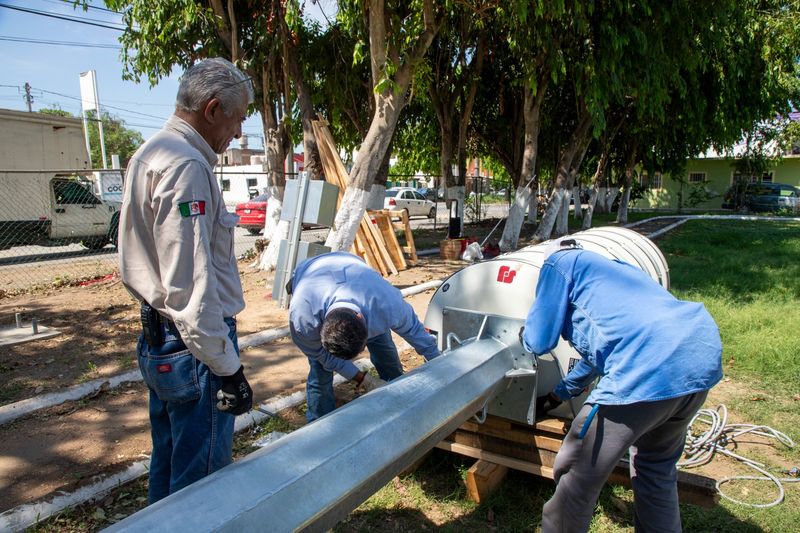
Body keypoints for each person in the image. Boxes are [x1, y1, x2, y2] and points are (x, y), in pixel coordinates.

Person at [119, 58, 255, 504]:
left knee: (170, 462)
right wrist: (228, 369)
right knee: (202, 485)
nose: (237, 134)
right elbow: (191, 288)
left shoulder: (151, 152)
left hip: (160, 337)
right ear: (213, 109)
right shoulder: (187, 166)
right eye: (237, 119)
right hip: (192, 349)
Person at [520, 237, 722, 533]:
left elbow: (538, 341)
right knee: (656, 470)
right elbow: (599, 353)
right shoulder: (616, 272)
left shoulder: (558, 262)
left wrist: (524, 334)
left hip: (650, 364)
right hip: (695, 360)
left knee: (577, 475)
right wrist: (557, 395)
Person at [288, 251, 440, 422]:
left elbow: (415, 332)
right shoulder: (303, 318)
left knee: (387, 356)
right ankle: (318, 423)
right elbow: (323, 356)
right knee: (321, 370)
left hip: (352, 267)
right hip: (311, 273)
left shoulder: (386, 303)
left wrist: (440, 363)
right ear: (321, 329)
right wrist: (365, 380)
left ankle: (400, 404)